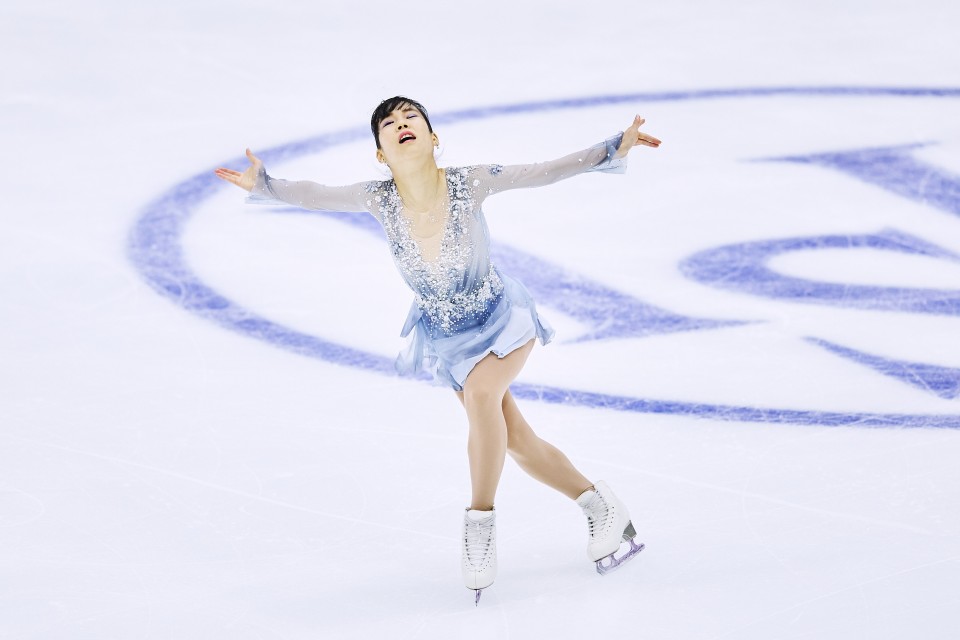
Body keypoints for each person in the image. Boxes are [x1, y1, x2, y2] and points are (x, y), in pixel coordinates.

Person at [214, 96, 661, 604]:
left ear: (432, 138)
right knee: (515, 440)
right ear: (380, 152)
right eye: (390, 124)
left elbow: (543, 171)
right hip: (448, 337)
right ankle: (602, 508)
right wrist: (266, 185)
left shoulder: (470, 182)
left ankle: (480, 525)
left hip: (500, 317)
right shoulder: (377, 198)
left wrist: (611, 147)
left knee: (481, 397)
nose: (402, 125)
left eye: (412, 119)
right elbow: (317, 194)